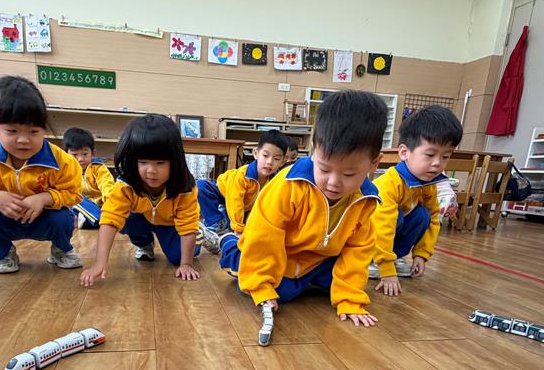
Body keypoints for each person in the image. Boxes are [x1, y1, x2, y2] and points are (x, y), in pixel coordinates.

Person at [218, 90, 385, 326]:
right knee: (280, 291)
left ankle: (303, 281)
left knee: (339, 285)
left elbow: (358, 250)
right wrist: (260, 285)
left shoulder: (366, 200)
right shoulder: (289, 185)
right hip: (278, 252)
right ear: (315, 150)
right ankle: (230, 247)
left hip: (317, 261)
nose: (334, 182)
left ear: (374, 163)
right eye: (324, 169)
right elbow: (263, 236)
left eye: (349, 174)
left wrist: (349, 299)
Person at [0, 76, 83, 274]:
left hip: (42, 219)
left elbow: (74, 193)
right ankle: (3, 255)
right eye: (12, 131)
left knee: (64, 218)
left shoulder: (61, 161)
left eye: (33, 131)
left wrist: (44, 198)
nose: (23, 140)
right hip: (3, 220)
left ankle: (60, 249)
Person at [80, 114, 201, 285]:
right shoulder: (125, 185)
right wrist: (100, 262)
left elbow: (187, 226)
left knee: (177, 258)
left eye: (160, 163)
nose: (151, 171)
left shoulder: (184, 188)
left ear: (175, 161)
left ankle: (201, 233)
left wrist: (186, 264)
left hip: (172, 224)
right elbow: (110, 219)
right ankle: (145, 244)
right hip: (142, 217)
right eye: (143, 162)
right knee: (127, 219)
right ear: (132, 161)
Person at [369, 105, 462, 296]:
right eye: (430, 155)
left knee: (423, 215)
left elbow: (434, 219)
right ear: (404, 152)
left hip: (389, 239)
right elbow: (381, 228)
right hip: (369, 238)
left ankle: (395, 256)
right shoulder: (389, 184)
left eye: (445, 156)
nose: (437, 163)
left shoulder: (428, 184)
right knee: (394, 217)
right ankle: (373, 259)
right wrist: (387, 270)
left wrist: (421, 254)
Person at [197, 129, 289, 251]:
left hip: (245, 208)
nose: (269, 162)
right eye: (265, 156)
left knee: (248, 227)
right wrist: (238, 229)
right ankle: (216, 222)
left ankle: (223, 226)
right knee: (201, 186)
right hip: (225, 193)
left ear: (283, 162)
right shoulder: (243, 175)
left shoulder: (276, 181)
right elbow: (234, 201)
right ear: (256, 153)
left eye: (276, 159)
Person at [63, 126, 114, 229]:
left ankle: (95, 218)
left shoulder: (98, 168)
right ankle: (90, 218)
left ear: (93, 153)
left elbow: (107, 185)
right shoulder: (65, 171)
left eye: (85, 154)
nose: (80, 159)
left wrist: (111, 203)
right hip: (78, 205)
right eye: (74, 154)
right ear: (66, 154)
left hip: (100, 206)